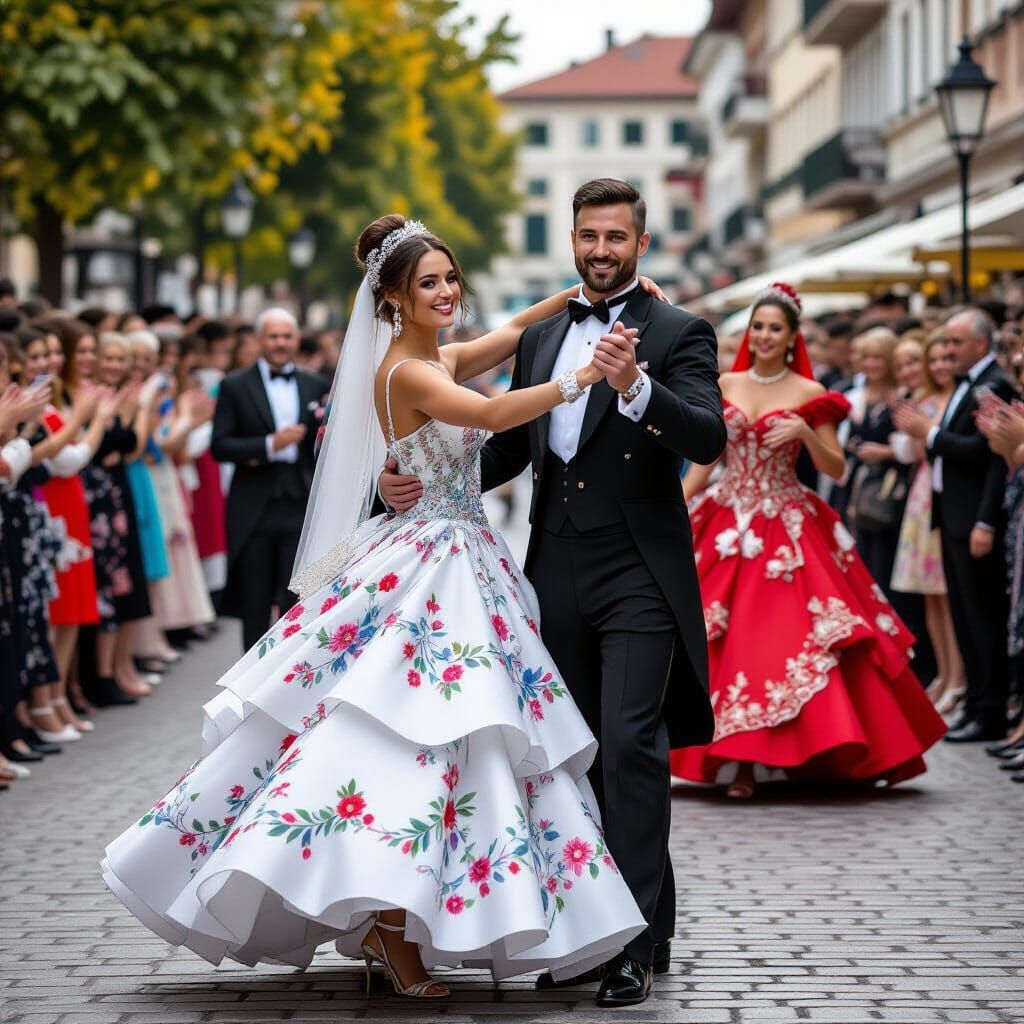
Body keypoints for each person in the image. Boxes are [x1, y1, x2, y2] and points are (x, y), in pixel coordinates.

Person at [102, 214, 653, 1000]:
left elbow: (502, 338)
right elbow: (495, 416)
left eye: (450, 277)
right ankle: (391, 929)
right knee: (416, 739)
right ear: (392, 299)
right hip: (433, 565)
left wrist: (572, 300)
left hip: (459, 558)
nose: (446, 292)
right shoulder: (406, 372)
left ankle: (402, 921)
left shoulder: (433, 357)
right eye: (428, 283)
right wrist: (585, 376)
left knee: (463, 746)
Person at [381, 179, 727, 1005]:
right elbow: (504, 449)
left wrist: (637, 388)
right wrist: (408, 482)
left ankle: (632, 947)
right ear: (572, 241)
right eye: (588, 236)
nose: (600, 250)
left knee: (631, 740)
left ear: (642, 244)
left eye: (615, 237)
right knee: (579, 754)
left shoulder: (681, 330)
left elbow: (709, 433)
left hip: (642, 568)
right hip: (553, 569)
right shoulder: (541, 340)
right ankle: (620, 920)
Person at [673, 283, 946, 799]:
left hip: (786, 521)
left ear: (793, 336)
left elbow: (836, 470)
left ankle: (796, 754)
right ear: (749, 333)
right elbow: (707, 458)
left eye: (776, 328)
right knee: (714, 635)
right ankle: (738, 761)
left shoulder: (808, 394)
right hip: (727, 516)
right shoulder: (723, 383)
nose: (765, 335)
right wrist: (680, 502)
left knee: (777, 639)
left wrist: (803, 433)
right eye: (759, 327)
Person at [894, 310, 1017, 742]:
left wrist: (928, 432)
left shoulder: (994, 385)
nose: (946, 350)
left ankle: (990, 709)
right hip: (950, 514)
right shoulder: (969, 385)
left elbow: (984, 458)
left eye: (955, 343)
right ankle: (976, 704)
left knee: (982, 616)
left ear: (980, 345)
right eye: (945, 342)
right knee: (965, 615)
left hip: (974, 519)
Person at [210, 309, 325, 650]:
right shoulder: (234, 385)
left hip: (299, 505)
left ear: (296, 339)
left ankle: (287, 675)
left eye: (286, 336)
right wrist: (268, 445)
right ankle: (249, 683)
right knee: (255, 603)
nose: (280, 343)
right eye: (273, 336)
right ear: (261, 340)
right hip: (254, 508)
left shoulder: (315, 384)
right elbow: (220, 445)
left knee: (297, 599)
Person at [890, 333, 964, 713]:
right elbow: (911, 450)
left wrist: (918, 432)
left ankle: (958, 676)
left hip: (936, 496)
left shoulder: (952, 401)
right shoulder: (923, 401)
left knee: (946, 596)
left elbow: (923, 446)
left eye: (940, 359)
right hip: (922, 496)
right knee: (929, 596)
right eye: (930, 360)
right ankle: (947, 675)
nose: (937, 367)